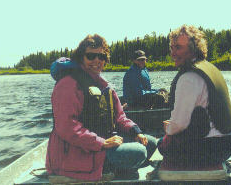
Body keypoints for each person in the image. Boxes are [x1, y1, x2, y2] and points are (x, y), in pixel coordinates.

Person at [46, 34, 157, 181]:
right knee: (139, 153)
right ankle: (111, 169)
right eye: (91, 56)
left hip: (98, 147)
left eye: (102, 56)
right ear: (81, 58)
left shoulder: (103, 85)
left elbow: (120, 116)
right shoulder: (68, 84)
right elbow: (67, 127)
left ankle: (116, 170)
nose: (97, 60)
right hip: (74, 155)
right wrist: (102, 143)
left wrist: (135, 131)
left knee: (150, 143)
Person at [157, 25, 231, 167]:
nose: (173, 53)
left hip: (213, 149)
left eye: (178, 48)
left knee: (160, 144)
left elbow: (179, 125)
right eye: (172, 47)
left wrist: (168, 128)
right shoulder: (208, 66)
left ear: (193, 49)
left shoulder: (188, 78)